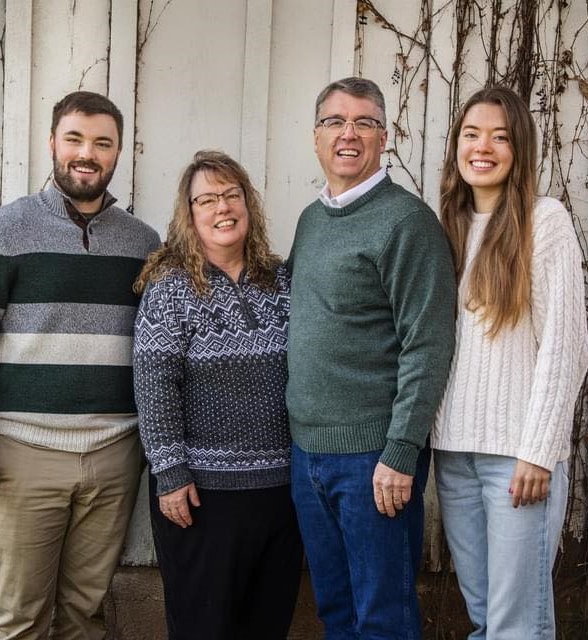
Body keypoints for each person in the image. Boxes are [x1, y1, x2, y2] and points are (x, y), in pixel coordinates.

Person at [0, 91, 160, 639]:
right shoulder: (5, 230)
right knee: (19, 618)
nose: (87, 153)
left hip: (115, 454)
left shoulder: (143, 242)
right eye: (75, 139)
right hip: (22, 457)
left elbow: (157, 348)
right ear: (52, 144)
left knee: (85, 616)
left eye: (102, 143)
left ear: (116, 154)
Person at [286, 76, 457, 639]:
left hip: (373, 460)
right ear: (316, 137)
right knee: (336, 612)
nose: (349, 133)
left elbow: (427, 343)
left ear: (386, 137)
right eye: (335, 121)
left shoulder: (407, 222)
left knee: (383, 618)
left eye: (365, 122)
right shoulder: (312, 220)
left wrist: (401, 451)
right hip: (308, 452)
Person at [433, 85, 588, 639]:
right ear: (456, 145)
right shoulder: (446, 226)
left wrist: (540, 452)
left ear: (519, 149)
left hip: (517, 462)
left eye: (500, 137)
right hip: (453, 454)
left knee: (516, 626)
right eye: (472, 134)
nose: (484, 147)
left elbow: (565, 346)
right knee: (486, 619)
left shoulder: (543, 222)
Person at [133, 150, 302, 640]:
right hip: (201, 495)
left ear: (249, 204)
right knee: (203, 626)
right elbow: (153, 383)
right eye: (206, 199)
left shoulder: (283, 281)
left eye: (232, 195)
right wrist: (169, 472)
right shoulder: (169, 289)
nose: (222, 207)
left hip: (280, 492)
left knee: (266, 624)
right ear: (189, 215)